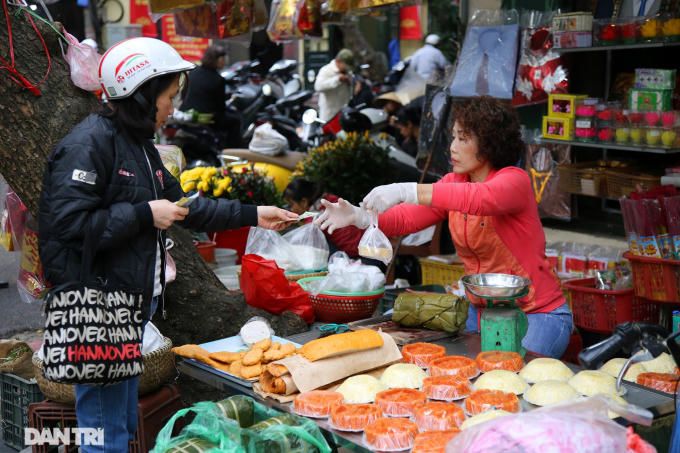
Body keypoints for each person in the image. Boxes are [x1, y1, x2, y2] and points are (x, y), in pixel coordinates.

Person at [38, 37, 297, 453]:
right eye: (169, 96)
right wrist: (144, 214)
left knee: (119, 425)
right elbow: (68, 225)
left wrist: (254, 214)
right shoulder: (89, 144)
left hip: (126, 307)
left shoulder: (138, 145)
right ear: (142, 93)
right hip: (95, 308)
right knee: (104, 434)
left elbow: (186, 207)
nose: (173, 108)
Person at [315, 96, 573, 359]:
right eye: (453, 137)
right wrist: (359, 217)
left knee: (511, 374)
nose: (453, 147)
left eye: (463, 138)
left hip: (537, 312)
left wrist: (407, 190)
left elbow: (480, 198)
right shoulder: (454, 183)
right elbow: (406, 218)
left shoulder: (515, 181)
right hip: (480, 311)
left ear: (490, 143)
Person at [180, 45, 244, 148]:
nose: (224, 62)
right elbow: (220, 108)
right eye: (223, 59)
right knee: (235, 120)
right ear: (218, 60)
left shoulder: (194, 71)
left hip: (186, 112)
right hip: (206, 118)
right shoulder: (218, 79)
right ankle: (231, 150)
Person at [283, 179, 364, 258]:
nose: (291, 209)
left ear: (304, 202)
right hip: (365, 241)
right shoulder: (330, 199)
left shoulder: (314, 219)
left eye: (291, 204)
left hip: (354, 253)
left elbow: (307, 242)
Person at [314, 49, 355, 122]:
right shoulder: (326, 70)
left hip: (344, 114)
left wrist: (350, 83)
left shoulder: (347, 72)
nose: (346, 69)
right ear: (338, 61)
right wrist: (337, 80)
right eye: (345, 67)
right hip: (329, 115)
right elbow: (318, 87)